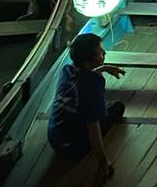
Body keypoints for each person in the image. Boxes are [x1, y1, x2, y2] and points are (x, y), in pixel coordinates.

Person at [47, 33, 126, 180]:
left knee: (90, 108)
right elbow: (93, 128)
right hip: (73, 147)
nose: (104, 53)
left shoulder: (66, 70)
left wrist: (103, 68)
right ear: (87, 63)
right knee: (117, 107)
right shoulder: (93, 84)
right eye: (100, 53)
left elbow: (83, 76)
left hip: (55, 138)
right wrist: (103, 162)